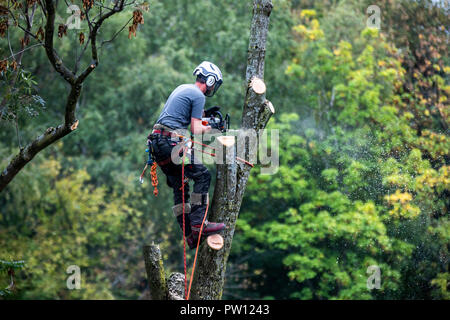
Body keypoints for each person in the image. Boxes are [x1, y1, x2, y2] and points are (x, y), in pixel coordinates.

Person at [148, 61, 226, 249]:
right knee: (202, 175)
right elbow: (196, 128)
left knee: (180, 185)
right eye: (214, 83)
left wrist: (206, 115)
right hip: (170, 143)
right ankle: (199, 224)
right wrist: (215, 127)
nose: (213, 87)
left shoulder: (184, 89)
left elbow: (185, 118)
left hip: (158, 144)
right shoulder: (198, 95)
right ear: (209, 79)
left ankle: (189, 235)